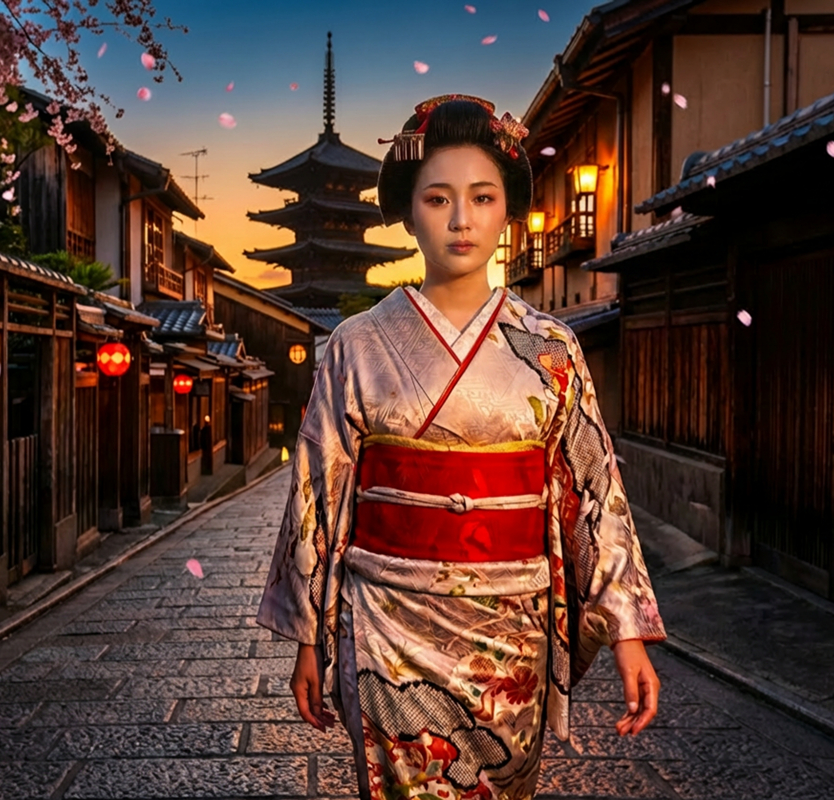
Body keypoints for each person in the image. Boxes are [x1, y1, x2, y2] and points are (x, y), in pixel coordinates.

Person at [256, 95, 666, 800]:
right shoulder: (355, 345)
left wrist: (625, 627)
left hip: (513, 630)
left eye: (482, 197)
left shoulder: (551, 347)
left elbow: (593, 490)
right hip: (385, 620)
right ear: (408, 211)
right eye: (437, 198)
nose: (460, 218)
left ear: (506, 209)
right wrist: (310, 638)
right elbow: (318, 496)